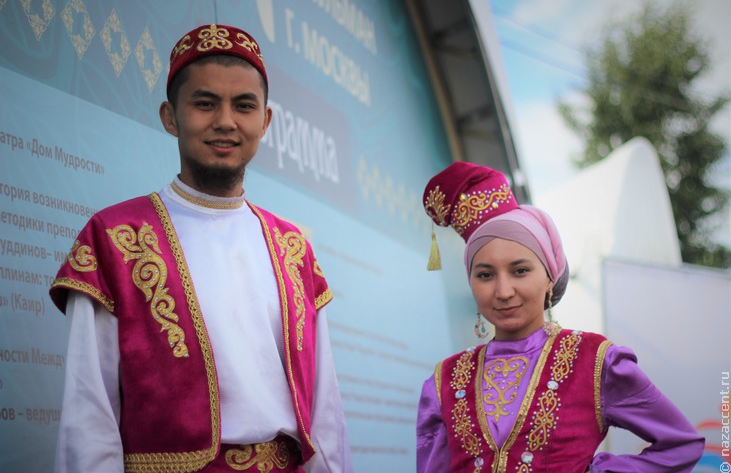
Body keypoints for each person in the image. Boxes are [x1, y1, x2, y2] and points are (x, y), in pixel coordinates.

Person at [49, 24, 352, 473]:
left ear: (265, 122)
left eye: (244, 106)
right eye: (205, 103)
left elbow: (324, 412)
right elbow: (88, 412)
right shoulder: (116, 237)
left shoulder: (293, 249)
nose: (225, 121)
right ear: (170, 116)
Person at [416, 161, 704, 472]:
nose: (503, 290)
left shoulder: (595, 361)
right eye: (485, 275)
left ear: (550, 276)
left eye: (520, 271)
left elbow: (681, 444)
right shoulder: (444, 380)